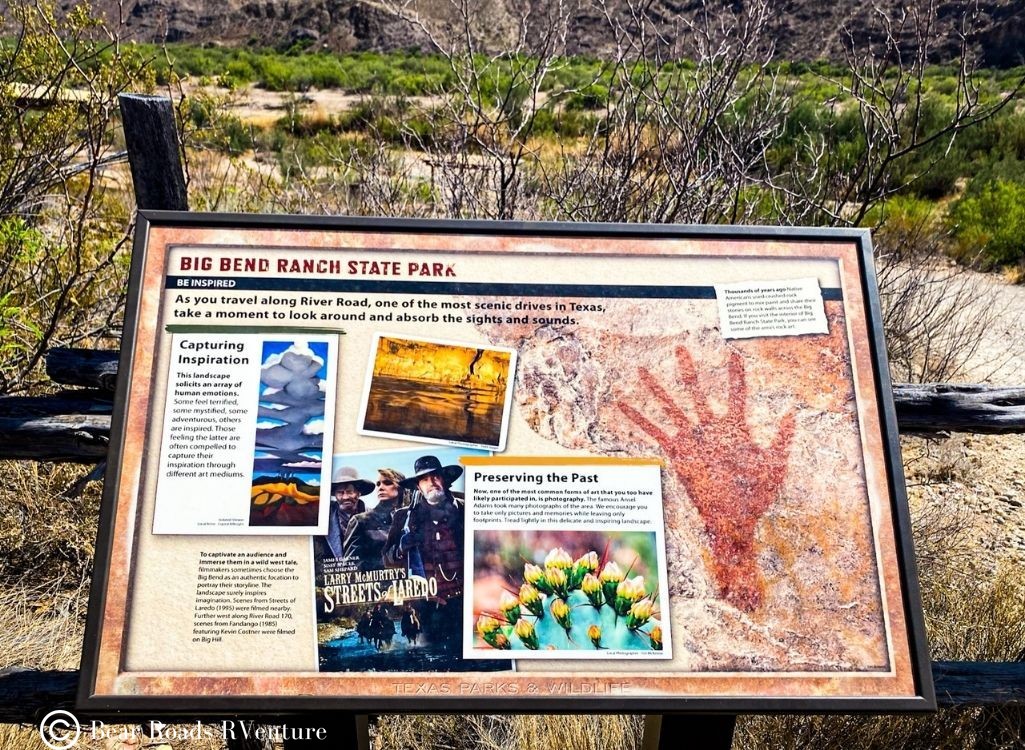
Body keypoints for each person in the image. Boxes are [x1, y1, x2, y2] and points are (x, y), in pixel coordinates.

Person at [383, 455, 465, 648]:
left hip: (464, 602)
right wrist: (401, 548)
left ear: (444, 480)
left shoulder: (463, 511)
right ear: (418, 486)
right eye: (425, 479)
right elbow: (387, 559)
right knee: (431, 659)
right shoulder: (404, 518)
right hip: (427, 606)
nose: (431, 483)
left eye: (435, 477)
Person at [342, 468, 409, 571]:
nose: (380, 487)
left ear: (401, 487)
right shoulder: (361, 521)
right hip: (378, 584)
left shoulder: (411, 519)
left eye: (387, 483)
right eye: (378, 484)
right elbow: (351, 566)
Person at [316, 466, 372, 560]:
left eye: (350, 492)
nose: (345, 497)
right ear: (335, 495)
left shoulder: (374, 518)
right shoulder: (324, 520)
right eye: (340, 492)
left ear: (358, 493)